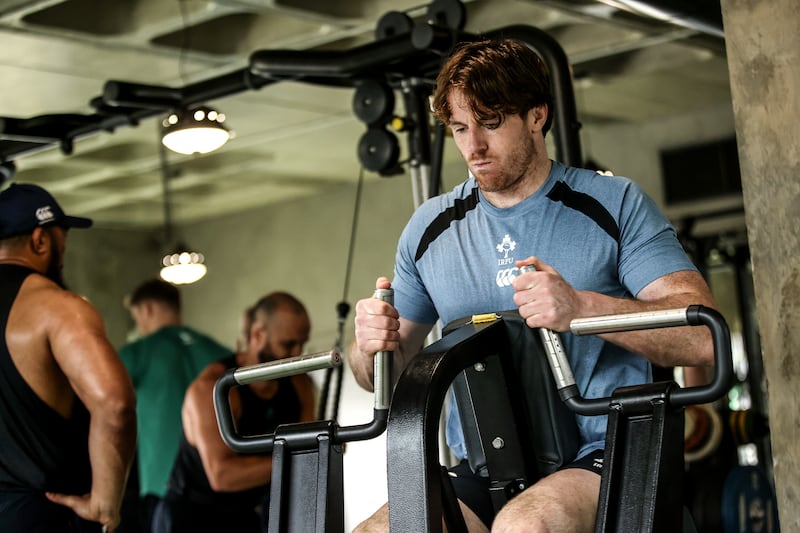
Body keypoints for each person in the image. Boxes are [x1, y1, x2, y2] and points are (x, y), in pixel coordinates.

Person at [349, 38, 716, 533]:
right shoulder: (429, 230)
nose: (474, 147)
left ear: (537, 115)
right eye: (460, 128)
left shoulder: (614, 204)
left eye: (492, 123)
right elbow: (382, 377)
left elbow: (703, 337)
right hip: (484, 468)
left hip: (606, 454)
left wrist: (581, 307)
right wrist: (370, 348)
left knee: (527, 526)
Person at [0, 182, 137, 532]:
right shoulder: (56, 307)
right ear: (40, 240)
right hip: (43, 516)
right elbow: (114, 402)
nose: (65, 249)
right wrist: (105, 502)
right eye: (64, 239)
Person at [152, 291, 316, 533]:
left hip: (245, 514)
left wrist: (316, 449)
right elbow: (222, 476)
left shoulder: (299, 384)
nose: (297, 354)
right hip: (190, 516)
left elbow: (308, 451)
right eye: (288, 344)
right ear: (258, 335)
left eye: (302, 343)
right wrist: (301, 457)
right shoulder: (214, 388)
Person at [118, 278, 230, 532]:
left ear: (146, 309)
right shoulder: (218, 352)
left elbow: (104, 399)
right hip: (220, 489)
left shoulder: (139, 352)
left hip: (164, 489)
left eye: (136, 317)